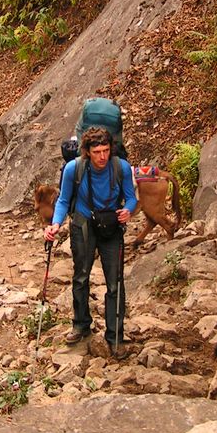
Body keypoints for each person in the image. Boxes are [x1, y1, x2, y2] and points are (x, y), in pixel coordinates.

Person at [44, 127, 137, 356]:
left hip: (111, 223)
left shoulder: (120, 168)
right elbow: (64, 200)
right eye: (97, 152)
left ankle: (115, 336)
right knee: (81, 275)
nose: (102, 157)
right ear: (87, 152)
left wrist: (128, 210)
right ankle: (80, 325)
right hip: (83, 222)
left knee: (115, 281)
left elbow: (132, 198)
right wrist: (55, 224)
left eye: (106, 151)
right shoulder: (73, 169)